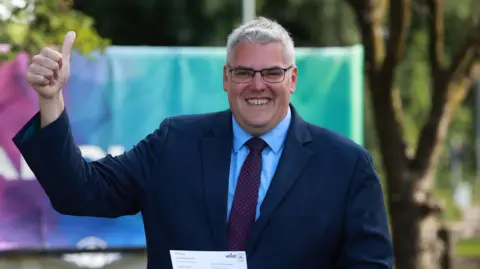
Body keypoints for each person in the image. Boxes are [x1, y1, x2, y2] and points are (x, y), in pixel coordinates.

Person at [13, 17, 394, 269]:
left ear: (292, 79)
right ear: (226, 78)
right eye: (244, 72)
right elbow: (79, 192)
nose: (257, 85)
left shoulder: (345, 166)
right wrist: (52, 101)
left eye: (272, 73)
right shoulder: (173, 144)